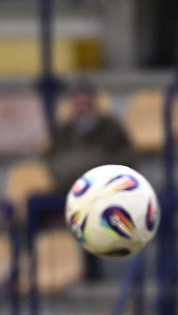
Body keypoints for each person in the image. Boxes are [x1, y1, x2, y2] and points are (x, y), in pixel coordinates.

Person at [46, 81, 137, 281]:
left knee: (87, 215)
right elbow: (51, 158)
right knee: (34, 206)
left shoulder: (110, 127)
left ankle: (93, 272)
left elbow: (128, 156)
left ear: (93, 102)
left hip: (101, 190)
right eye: (77, 102)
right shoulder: (64, 131)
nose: (81, 106)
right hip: (67, 187)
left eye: (85, 101)